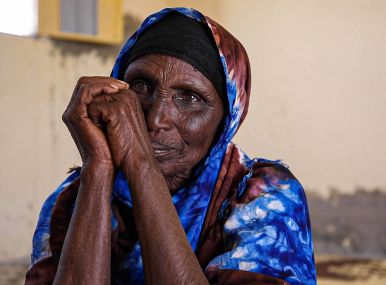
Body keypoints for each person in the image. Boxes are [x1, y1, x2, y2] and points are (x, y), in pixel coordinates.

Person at [26, 8, 316, 285]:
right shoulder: (75, 195)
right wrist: (98, 168)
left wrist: (141, 165)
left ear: (225, 122)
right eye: (140, 86)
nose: (155, 120)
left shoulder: (263, 195)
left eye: (189, 98)